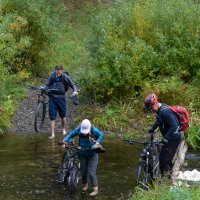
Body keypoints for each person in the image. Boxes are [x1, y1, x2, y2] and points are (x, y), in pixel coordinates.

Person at [144, 93, 184, 177]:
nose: (151, 110)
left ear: (155, 103)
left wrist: (166, 138)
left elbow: (174, 126)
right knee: (166, 159)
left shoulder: (164, 111)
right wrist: (153, 128)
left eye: (151, 108)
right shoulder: (161, 109)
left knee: (163, 160)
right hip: (172, 137)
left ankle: (166, 181)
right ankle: (168, 176)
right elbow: (159, 121)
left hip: (173, 138)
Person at [62, 119, 103, 196]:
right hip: (82, 154)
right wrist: (65, 140)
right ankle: (85, 186)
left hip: (93, 155)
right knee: (83, 171)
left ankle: (95, 190)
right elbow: (71, 134)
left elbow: (101, 135)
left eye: (85, 132)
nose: (84, 134)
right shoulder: (79, 129)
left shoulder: (94, 130)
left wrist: (97, 142)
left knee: (91, 172)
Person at [43, 64, 78, 139]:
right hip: (52, 97)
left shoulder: (65, 76)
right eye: (57, 72)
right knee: (52, 116)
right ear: (55, 70)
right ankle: (52, 134)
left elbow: (73, 84)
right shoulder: (52, 75)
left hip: (61, 98)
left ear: (62, 71)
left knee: (63, 115)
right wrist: (45, 89)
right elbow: (47, 84)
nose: (58, 74)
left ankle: (63, 129)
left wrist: (75, 91)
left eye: (59, 73)